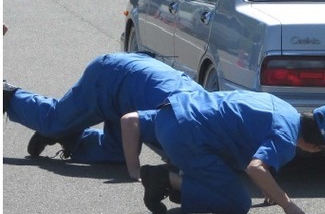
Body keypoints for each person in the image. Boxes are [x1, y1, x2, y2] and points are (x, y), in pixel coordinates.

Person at [121, 92, 325, 214]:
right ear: (317, 144)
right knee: (238, 203)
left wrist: (269, 184)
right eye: (324, 150)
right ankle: (165, 178)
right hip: (185, 137)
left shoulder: (286, 110)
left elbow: (248, 136)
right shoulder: (286, 139)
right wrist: (289, 206)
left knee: (226, 173)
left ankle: (186, 181)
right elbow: (256, 169)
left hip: (173, 111)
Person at [3, 52, 197, 176]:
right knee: (54, 121)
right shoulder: (178, 119)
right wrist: (136, 172)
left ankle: (70, 137)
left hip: (136, 83)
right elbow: (135, 123)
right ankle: (7, 94)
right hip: (111, 77)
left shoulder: (208, 112)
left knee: (118, 153)